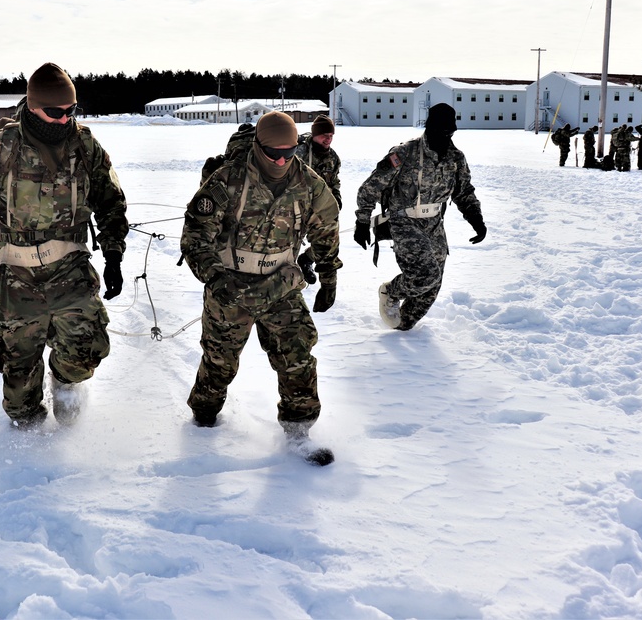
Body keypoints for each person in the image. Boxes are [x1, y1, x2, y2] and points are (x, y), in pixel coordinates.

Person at [0, 63, 129, 429]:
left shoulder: (85, 145)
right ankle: (28, 445)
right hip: (15, 273)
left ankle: (65, 382)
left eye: (71, 111)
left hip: (69, 265)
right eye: (55, 112)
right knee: (19, 397)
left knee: (86, 349)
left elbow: (111, 201)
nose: (64, 120)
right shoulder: (3, 147)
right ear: (32, 107)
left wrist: (113, 253)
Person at [180, 111, 341, 465]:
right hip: (231, 285)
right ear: (258, 147)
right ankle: (203, 417)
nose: (282, 160)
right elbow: (195, 235)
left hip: (281, 285)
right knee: (220, 362)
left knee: (297, 354)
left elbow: (326, 230)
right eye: (274, 154)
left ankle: (299, 433)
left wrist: (329, 275)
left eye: (290, 152)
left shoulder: (309, 184)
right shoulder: (227, 181)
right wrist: (213, 276)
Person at [354, 102, 486, 331]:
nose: (445, 137)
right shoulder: (405, 152)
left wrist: (476, 219)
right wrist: (362, 221)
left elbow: (463, 192)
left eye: (449, 132)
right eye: (439, 131)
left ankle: (401, 327)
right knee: (425, 276)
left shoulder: (455, 158)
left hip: (434, 223)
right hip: (404, 221)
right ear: (428, 127)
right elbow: (371, 187)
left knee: (433, 286)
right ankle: (390, 291)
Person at [295, 115, 342, 284]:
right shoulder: (298, 153)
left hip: (322, 207)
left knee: (329, 242)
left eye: (331, 136)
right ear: (315, 135)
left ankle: (306, 259)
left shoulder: (333, 158)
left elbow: (334, 180)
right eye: (324, 135)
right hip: (297, 208)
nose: (328, 139)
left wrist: (336, 197)